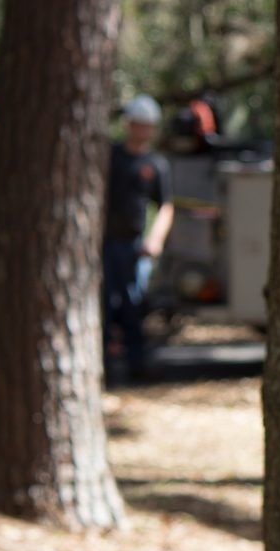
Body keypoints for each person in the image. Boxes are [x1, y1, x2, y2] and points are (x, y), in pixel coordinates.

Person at [103, 94, 174, 381]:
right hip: (105, 244)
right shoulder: (111, 157)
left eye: (147, 126)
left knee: (134, 305)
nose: (141, 130)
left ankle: (136, 365)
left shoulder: (155, 164)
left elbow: (165, 205)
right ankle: (105, 366)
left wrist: (155, 239)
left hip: (135, 246)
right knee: (106, 303)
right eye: (136, 124)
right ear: (128, 125)